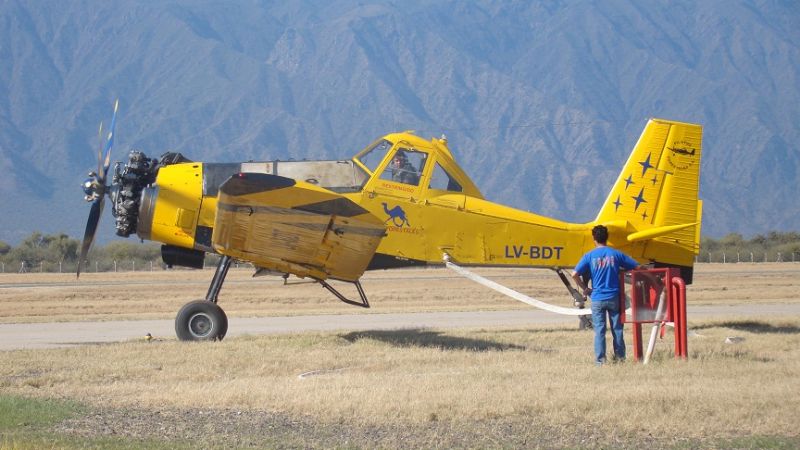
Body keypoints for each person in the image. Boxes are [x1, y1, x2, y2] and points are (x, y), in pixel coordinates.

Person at [572, 225, 641, 365]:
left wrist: (585, 288)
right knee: (617, 330)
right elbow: (637, 266)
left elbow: (574, 274)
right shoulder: (616, 254)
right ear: (607, 238)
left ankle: (600, 362)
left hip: (597, 298)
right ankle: (620, 359)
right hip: (614, 297)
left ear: (594, 239)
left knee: (599, 331)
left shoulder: (589, 256)